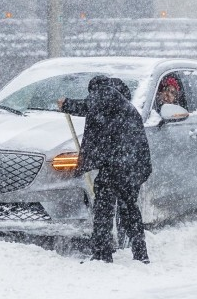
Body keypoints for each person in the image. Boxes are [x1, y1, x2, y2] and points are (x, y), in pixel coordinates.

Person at [58, 76, 152, 263]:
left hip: (116, 165)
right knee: (129, 208)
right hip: (133, 165)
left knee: (103, 209)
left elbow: (89, 105)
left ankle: (102, 254)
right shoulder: (126, 106)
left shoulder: (104, 92)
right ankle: (141, 254)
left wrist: (66, 104)